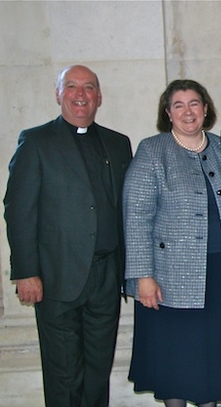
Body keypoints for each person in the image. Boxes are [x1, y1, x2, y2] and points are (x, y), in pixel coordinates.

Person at [3, 65, 132, 406]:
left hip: (106, 277)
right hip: (55, 277)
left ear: (98, 97)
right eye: (71, 87)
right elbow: (18, 210)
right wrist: (25, 271)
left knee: (97, 369)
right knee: (63, 373)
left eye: (88, 87)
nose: (80, 94)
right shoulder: (36, 141)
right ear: (58, 94)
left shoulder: (119, 145)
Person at [123, 79, 221, 407]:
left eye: (194, 103)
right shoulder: (153, 150)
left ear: (206, 109)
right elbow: (135, 216)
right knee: (174, 360)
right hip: (168, 279)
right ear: (168, 112)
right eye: (179, 105)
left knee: (212, 357)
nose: (187, 111)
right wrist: (142, 277)